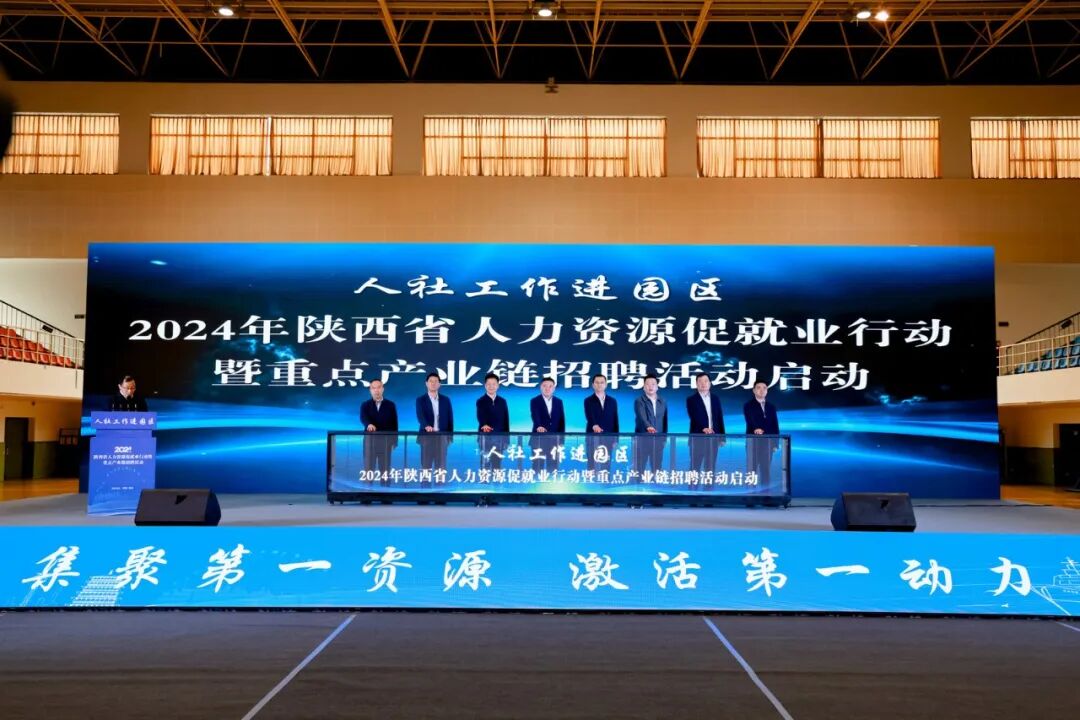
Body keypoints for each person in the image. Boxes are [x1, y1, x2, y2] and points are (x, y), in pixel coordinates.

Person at [686, 372, 725, 476]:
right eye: (700, 381)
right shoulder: (691, 400)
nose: (703, 384)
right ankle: (693, 486)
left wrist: (722, 437)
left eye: (706, 381)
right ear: (696, 384)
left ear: (710, 383)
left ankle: (709, 486)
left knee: (710, 467)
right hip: (697, 438)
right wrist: (704, 428)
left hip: (713, 438)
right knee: (695, 467)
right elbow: (694, 416)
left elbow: (719, 417)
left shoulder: (715, 399)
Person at [743, 380, 780, 487]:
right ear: (754, 390)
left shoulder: (771, 407)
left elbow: (775, 425)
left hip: (768, 443)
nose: (762, 390)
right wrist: (756, 428)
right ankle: (750, 494)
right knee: (751, 470)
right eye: (758, 388)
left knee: (766, 470)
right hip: (753, 442)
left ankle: (766, 494)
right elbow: (750, 420)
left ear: (767, 391)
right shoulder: (748, 405)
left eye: (764, 388)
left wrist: (775, 443)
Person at [360, 379, 398, 480]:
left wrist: (394, 441)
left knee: (385, 471)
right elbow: (363, 418)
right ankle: (367, 490)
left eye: (378, 387)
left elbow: (394, 424)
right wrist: (369, 424)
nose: (376, 390)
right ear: (370, 390)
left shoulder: (390, 405)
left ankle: (385, 489)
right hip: (370, 442)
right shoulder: (365, 405)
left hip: (385, 442)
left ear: (383, 389)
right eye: (373, 388)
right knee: (368, 471)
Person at [415, 371, 453, 472]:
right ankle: (425, 481)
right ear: (426, 383)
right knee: (426, 465)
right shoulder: (420, 400)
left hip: (442, 436)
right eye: (431, 381)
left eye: (436, 381)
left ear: (439, 384)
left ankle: (440, 482)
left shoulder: (446, 400)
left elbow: (450, 418)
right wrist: (426, 426)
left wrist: (450, 436)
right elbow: (420, 416)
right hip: (427, 436)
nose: (433, 383)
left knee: (441, 467)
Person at [632, 373, 667, 476]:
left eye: (653, 384)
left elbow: (665, 420)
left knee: (657, 467)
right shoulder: (639, 401)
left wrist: (664, 437)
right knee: (640, 466)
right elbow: (641, 416)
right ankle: (637, 484)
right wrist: (648, 426)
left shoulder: (662, 401)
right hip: (643, 439)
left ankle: (656, 484)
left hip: (658, 440)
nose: (650, 386)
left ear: (657, 387)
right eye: (647, 384)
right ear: (644, 387)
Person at [583, 373, 619, 475]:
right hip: (592, 435)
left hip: (608, 436)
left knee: (606, 462)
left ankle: (605, 480)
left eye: (602, 382)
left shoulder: (612, 401)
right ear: (593, 385)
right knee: (591, 461)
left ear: (606, 385)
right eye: (597, 383)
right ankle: (591, 482)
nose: (599, 385)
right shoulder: (588, 400)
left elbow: (615, 419)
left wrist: (616, 438)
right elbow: (589, 415)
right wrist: (594, 425)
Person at [529, 377, 565, 473]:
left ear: (554, 388)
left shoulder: (558, 401)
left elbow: (561, 420)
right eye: (544, 386)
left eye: (550, 386)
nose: (547, 388)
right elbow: (535, 415)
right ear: (540, 387)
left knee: (553, 467)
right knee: (537, 466)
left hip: (554, 440)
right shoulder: (535, 401)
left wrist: (561, 439)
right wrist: (538, 426)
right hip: (538, 439)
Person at [476, 372, 510, 470]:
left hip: (499, 438)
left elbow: (506, 420)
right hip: (485, 436)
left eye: (494, 384)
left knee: (497, 463)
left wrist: (507, 439)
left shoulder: (502, 401)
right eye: (489, 384)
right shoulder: (481, 401)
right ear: (485, 386)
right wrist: (484, 424)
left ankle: (497, 478)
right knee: (485, 463)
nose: (491, 386)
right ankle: (484, 478)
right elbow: (480, 415)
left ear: (498, 386)